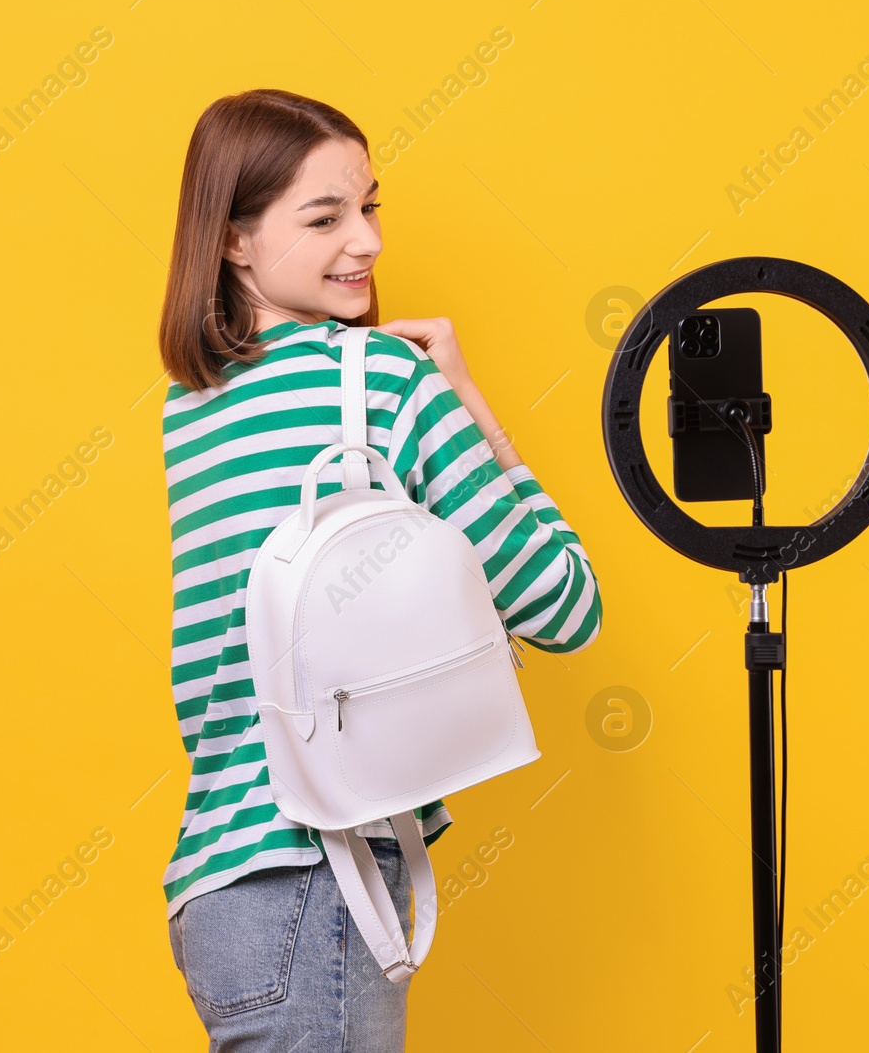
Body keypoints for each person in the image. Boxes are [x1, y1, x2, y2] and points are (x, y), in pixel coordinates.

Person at [158, 87, 602, 1051]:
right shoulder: (381, 381)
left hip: (220, 891)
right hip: (318, 875)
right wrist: (472, 405)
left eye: (369, 207)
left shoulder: (189, 407)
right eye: (323, 217)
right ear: (234, 240)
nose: (365, 241)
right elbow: (566, 604)